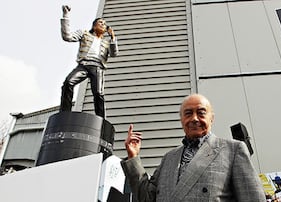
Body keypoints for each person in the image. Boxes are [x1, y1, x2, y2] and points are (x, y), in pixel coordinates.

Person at [121, 93, 266, 201]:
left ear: (211, 118)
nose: (194, 118)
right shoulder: (169, 158)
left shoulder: (232, 150)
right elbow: (146, 198)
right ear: (182, 120)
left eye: (201, 113)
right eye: (188, 113)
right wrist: (133, 157)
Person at [59, 5, 118, 118]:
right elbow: (67, 36)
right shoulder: (85, 34)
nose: (103, 25)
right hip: (84, 65)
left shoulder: (106, 42)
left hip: (97, 67)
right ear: (94, 25)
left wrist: (113, 38)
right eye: (100, 22)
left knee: (98, 93)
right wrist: (66, 15)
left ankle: (101, 120)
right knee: (68, 83)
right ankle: (64, 114)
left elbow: (114, 53)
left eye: (105, 24)